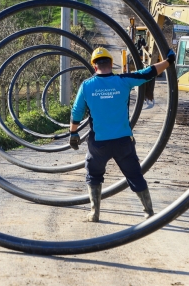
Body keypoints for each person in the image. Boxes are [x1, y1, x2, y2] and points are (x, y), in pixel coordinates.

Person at [69, 46, 176, 222]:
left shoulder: (87, 86)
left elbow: (76, 112)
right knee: (134, 175)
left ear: (94, 67)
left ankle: (94, 213)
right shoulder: (124, 80)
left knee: (93, 174)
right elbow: (147, 73)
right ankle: (149, 213)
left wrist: (73, 134)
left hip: (99, 143)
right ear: (111, 64)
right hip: (123, 141)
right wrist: (169, 61)